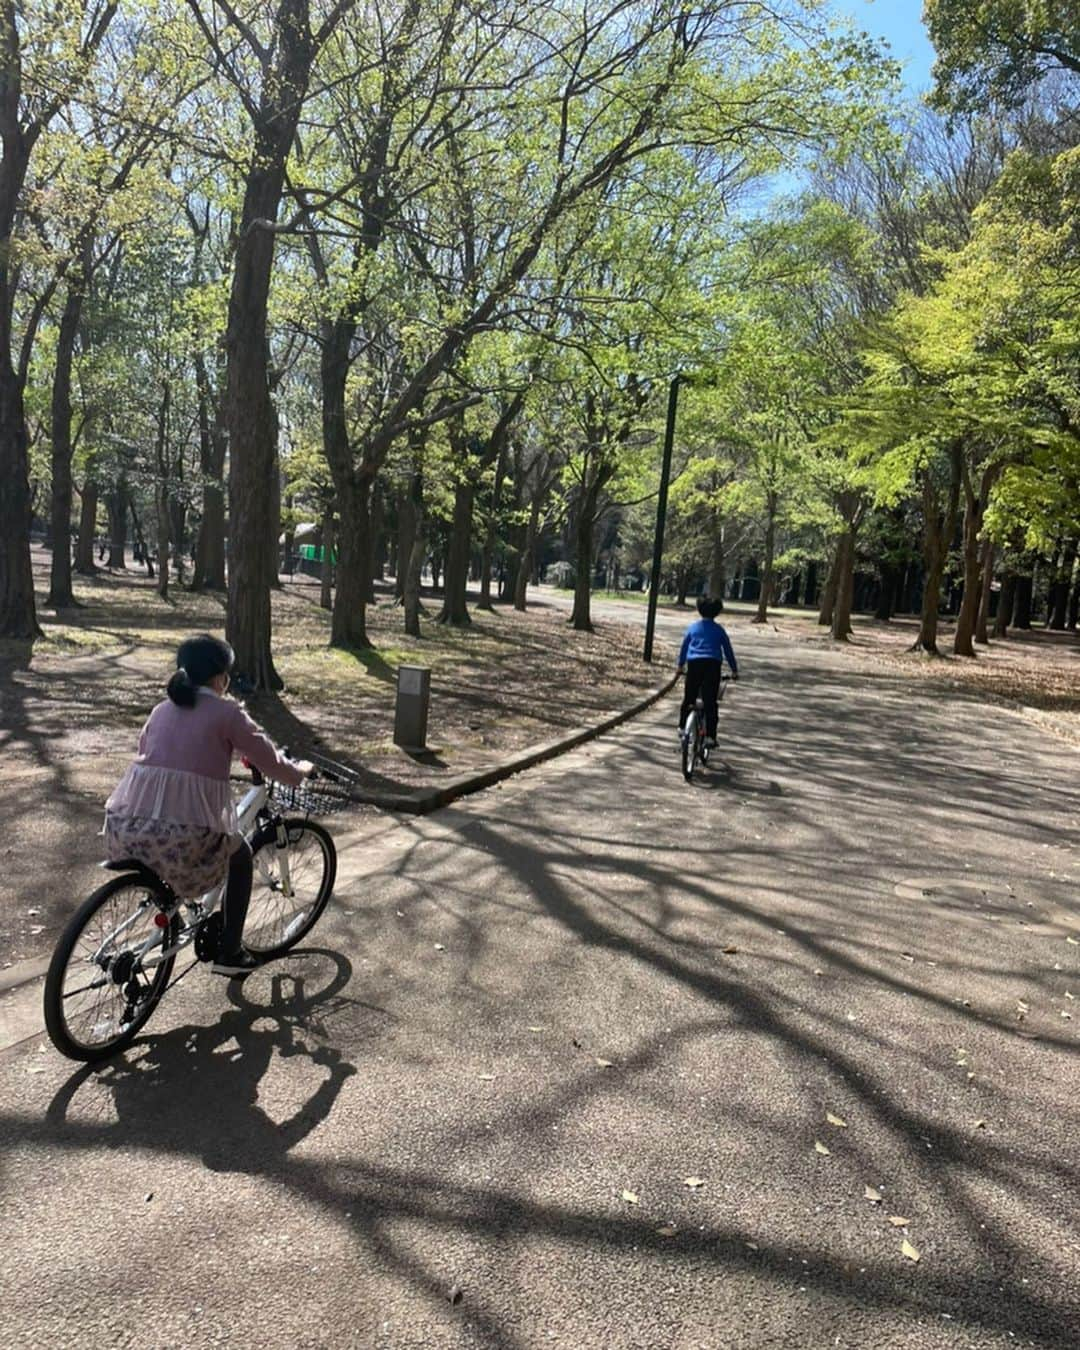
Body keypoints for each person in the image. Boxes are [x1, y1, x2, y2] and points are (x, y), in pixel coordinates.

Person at [104, 634, 313, 977]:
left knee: (181, 846)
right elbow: (270, 761)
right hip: (183, 839)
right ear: (221, 677)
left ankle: (172, 905)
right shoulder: (227, 713)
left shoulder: (162, 709)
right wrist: (300, 772)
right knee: (241, 855)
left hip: (128, 825)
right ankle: (230, 954)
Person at [676, 595, 738, 748]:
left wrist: (680, 666)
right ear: (717, 612)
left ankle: (682, 727)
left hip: (694, 664)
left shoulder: (693, 628)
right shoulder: (719, 630)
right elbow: (728, 651)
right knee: (710, 702)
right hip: (712, 665)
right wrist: (734, 670)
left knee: (689, 698)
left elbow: (684, 648)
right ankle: (710, 736)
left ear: (699, 609)